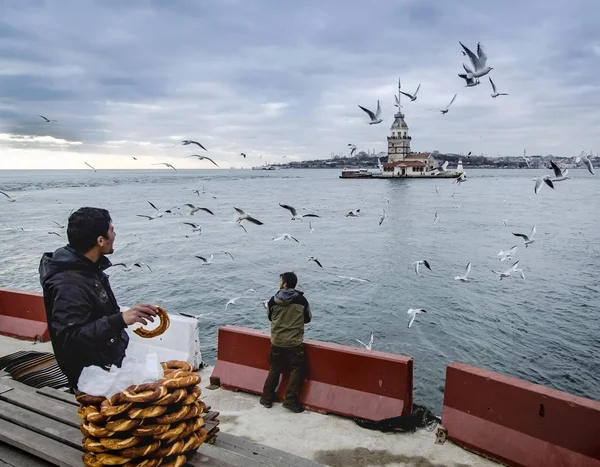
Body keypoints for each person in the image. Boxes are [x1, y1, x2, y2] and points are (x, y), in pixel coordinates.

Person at [39, 207, 158, 392]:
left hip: (107, 364)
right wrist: (121, 319)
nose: (115, 233)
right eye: (111, 229)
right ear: (100, 240)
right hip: (93, 378)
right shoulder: (69, 284)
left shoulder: (85, 267)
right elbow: (70, 339)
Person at [260, 271, 312, 413]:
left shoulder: (273, 300)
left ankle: (266, 398)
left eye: (281, 281)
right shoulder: (302, 301)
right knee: (297, 368)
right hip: (294, 343)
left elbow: (270, 317)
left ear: (284, 283)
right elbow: (307, 319)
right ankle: (289, 400)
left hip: (277, 341)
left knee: (275, 368)